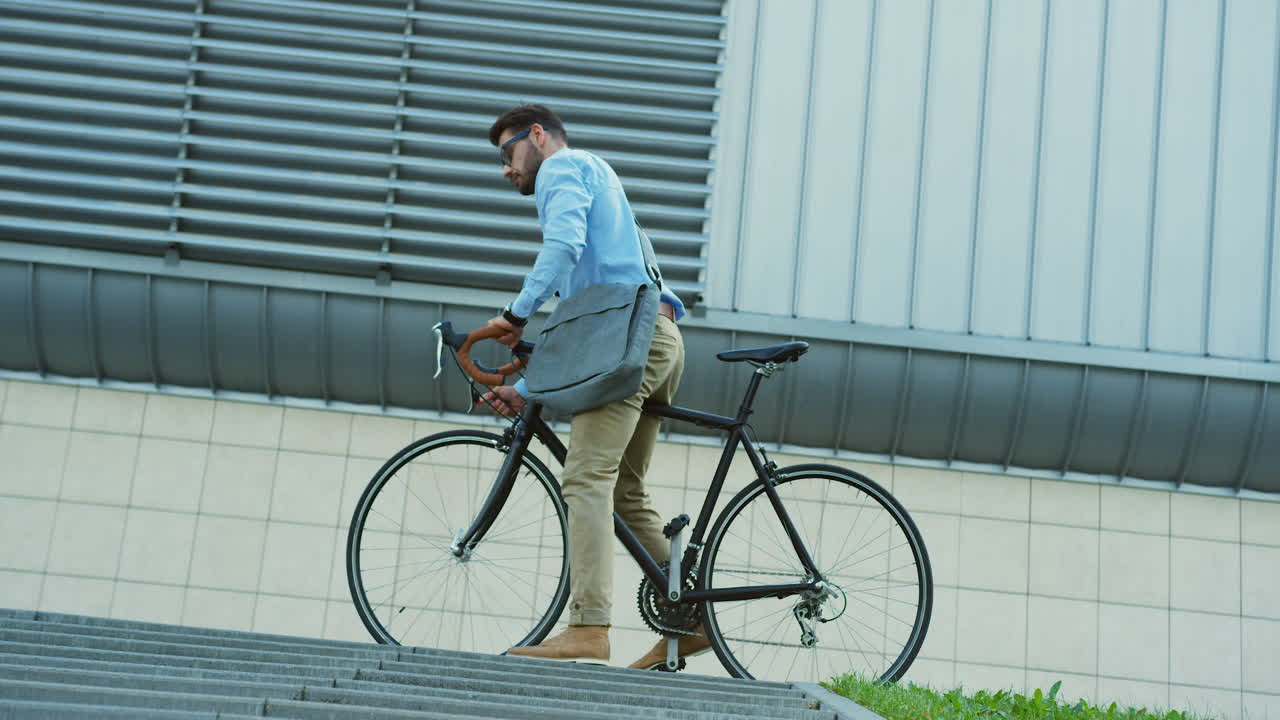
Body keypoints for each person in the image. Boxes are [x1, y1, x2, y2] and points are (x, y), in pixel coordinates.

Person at [477, 104, 707, 670]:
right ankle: (696, 619)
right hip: (655, 338)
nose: (506, 169)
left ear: (537, 136)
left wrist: (515, 313)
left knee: (583, 478)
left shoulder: (561, 168)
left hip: (631, 340)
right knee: (623, 495)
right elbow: (589, 323)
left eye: (507, 153)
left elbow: (563, 250)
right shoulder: (597, 175)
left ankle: (587, 627)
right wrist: (528, 387)